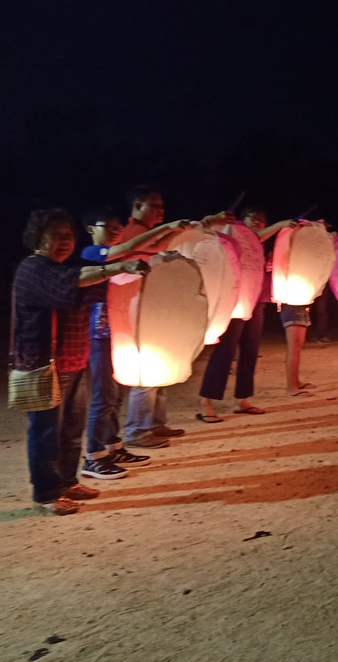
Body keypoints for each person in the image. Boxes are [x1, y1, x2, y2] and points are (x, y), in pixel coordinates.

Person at [12, 209, 148, 515]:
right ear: (38, 238)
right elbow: (75, 281)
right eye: (55, 235)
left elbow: (99, 284)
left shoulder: (66, 268)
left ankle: (68, 482)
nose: (64, 241)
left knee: (72, 429)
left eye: (68, 235)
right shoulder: (34, 269)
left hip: (73, 361)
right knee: (46, 431)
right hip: (44, 365)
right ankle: (47, 494)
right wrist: (119, 268)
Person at [121, 185, 230, 446]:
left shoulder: (144, 232)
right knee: (144, 374)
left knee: (160, 367)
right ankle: (137, 430)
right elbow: (148, 251)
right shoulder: (133, 233)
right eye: (154, 205)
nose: (160, 211)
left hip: (157, 308)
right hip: (140, 309)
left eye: (161, 206)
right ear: (137, 206)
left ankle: (156, 424)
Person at [81, 208, 184, 476]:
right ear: (91, 229)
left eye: (118, 227)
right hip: (99, 335)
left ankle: (113, 447)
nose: (116, 231)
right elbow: (128, 252)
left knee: (115, 396)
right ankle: (93, 455)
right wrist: (165, 228)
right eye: (109, 226)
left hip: (118, 333)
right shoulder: (91, 254)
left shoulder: (118, 256)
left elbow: (141, 255)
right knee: (103, 398)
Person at [198, 207, 295, 420]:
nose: (258, 222)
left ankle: (242, 399)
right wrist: (280, 224)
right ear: (242, 220)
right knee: (225, 351)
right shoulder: (231, 233)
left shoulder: (256, 245)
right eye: (254, 217)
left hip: (255, 302)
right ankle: (205, 401)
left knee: (250, 351)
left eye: (262, 219)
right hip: (234, 303)